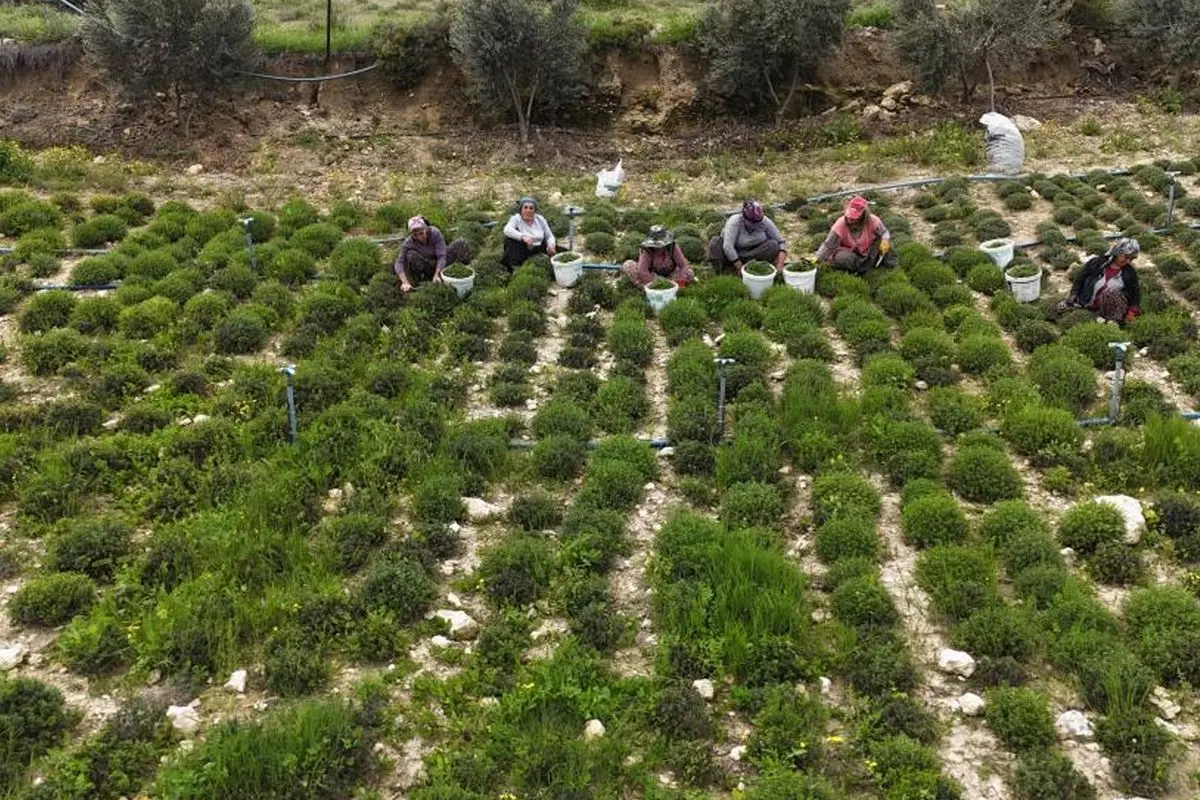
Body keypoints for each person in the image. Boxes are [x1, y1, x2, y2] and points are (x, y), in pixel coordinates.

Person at [1057, 237, 1142, 324]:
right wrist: (1074, 294)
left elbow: (1135, 295)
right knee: (1060, 308)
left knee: (1110, 294)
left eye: (1131, 259)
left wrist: (1131, 314)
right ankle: (1085, 307)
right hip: (1087, 300)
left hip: (1112, 310)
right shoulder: (1097, 263)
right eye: (1126, 257)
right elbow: (1080, 278)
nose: (1128, 261)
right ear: (1118, 252)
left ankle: (1112, 320)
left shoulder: (1130, 273)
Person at [814, 196, 895, 275]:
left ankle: (888, 267)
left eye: (853, 218)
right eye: (849, 216)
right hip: (850, 254)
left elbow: (884, 232)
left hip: (868, 251)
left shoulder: (873, 220)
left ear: (863, 216)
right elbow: (829, 245)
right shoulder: (840, 224)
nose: (849, 220)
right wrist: (817, 259)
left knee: (885, 245)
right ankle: (859, 270)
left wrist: (885, 240)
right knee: (842, 258)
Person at [707, 199, 788, 274]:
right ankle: (724, 271)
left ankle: (759, 268)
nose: (756, 224)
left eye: (758, 221)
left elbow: (781, 242)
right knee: (715, 242)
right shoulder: (735, 222)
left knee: (773, 244)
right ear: (744, 217)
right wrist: (740, 268)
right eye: (752, 222)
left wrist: (780, 265)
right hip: (733, 255)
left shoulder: (765, 222)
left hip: (753, 254)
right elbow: (728, 247)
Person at [393, 216, 472, 293]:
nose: (419, 237)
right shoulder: (409, 242)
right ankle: (426, 279)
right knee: (410, 255)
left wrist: (437, 274)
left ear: (426, 228)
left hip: (442, 262)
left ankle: (462, 270)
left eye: (421, 233)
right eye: (415, 235)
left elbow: (441, 256)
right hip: (427, 264)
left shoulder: (435, 233)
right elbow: (399, 263)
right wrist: (405, 282)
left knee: (461, 243)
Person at [622, 225, 695, 288]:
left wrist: (681, 281)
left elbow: (683, 265)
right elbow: (642, 270)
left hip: (671, 275)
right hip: (653, 277)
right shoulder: (647, 251)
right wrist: (655, 286)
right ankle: (646, 290)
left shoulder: (672, 247)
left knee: (689, 273)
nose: (658, 247)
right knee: (628, 265)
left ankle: (674, 287)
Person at [502, 196, 557, 268]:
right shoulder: (516, 218)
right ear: (521, 209)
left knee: (562, 251)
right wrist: (523, 237)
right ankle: (515, 267)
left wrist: (551, 245)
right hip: (523, 249)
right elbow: (507, 229)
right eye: (525, 207)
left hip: (539, 247)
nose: (528, 210)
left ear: (534, 210)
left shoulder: (540, 219)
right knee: (510, 240)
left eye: (531, 208)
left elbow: (549, 236)